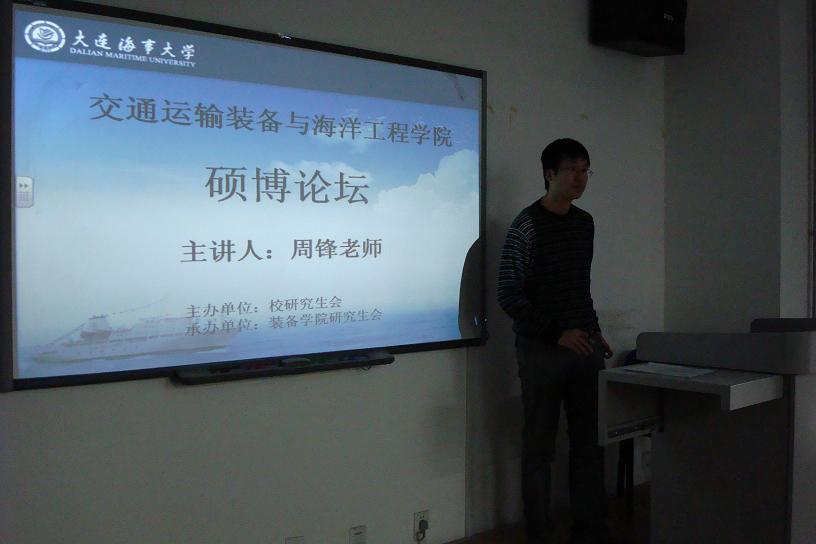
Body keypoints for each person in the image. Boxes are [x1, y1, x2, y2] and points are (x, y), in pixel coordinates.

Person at [497, 138, 613, 544]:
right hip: (542, 351)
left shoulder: (585, 223)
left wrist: (593, 329)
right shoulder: (526, 225)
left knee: (589, 444)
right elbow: (508, 294)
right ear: (549, 174)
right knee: (539, 448)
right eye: (571, 170)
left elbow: (579, 286)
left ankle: (589, 530)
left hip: (584, 346)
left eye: (585, 169)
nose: (580, 178)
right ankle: (540, 534)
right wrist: (557, 333)